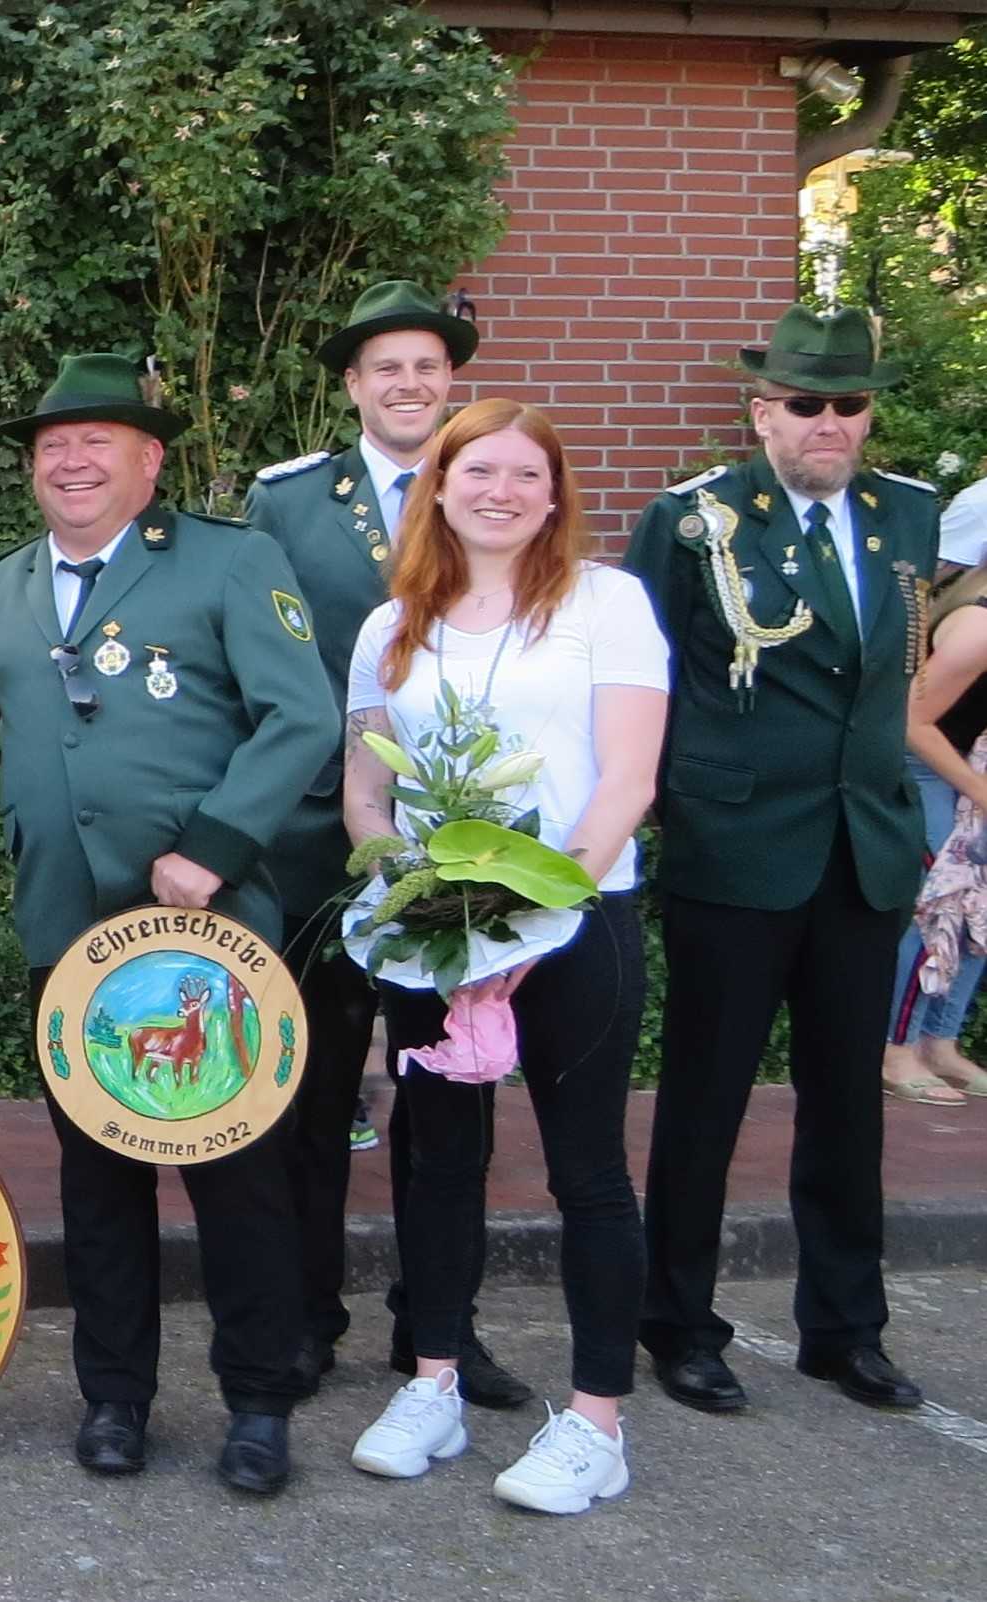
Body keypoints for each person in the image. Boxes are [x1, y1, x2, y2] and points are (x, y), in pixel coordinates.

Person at [0, 353, 336, 1495]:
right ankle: (114, 1398)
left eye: (97, 440)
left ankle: (258, 1402)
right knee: (97, 1179)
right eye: (52, 446)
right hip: (68, 931)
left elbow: (302, 716)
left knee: (239, 1176)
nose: (71, 461)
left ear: (150, 459)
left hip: (204, 928)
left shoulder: (230, 560)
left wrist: (215, 847)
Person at [335, 398, 666, 1514]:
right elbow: (366, 789)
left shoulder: (605, 604)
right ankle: (432, 1383)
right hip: (437, 931)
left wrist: (532, 912)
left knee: (588, 1173)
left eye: (528, 473)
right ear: (438, 486)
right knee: (438, 1161)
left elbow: (627, 778)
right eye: (478, 470)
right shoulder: (391, 626)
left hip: (579, 917)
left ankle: (596, 1424)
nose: (502, 492)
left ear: (555, 492)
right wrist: (420, 892)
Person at [625, 304, 940, 1415]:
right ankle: (678, 1325)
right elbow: (644, 680)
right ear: (762, 412)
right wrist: (662, 812)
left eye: (848, 404)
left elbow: (890, 677)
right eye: (806, 403)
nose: (828, 422)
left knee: (848, 1106)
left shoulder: (907, 515)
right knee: (704, 1102)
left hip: (862, 854)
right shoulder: (694, 520)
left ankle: (845, 1330)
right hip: (735, 849)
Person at [248, 281, 530, 1408]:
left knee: (450, 1094)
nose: (408, 384)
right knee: (313, 1093)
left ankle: (440, 1327)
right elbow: (258, 660)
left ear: (450, 379)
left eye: (426, 365)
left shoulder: (493, 487)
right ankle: (308, 1316)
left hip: (462, 845)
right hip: (319, 835)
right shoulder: (286, 502)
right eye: (386, 368)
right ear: (352, 386)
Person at [884, 560, 987, 1105]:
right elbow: (910, 722)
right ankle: (893, 1049)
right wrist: (979, 791)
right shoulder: (980, 626)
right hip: (924, 766)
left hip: (968, 762)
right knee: (938, 905)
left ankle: (937, 1042)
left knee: (978, 909)